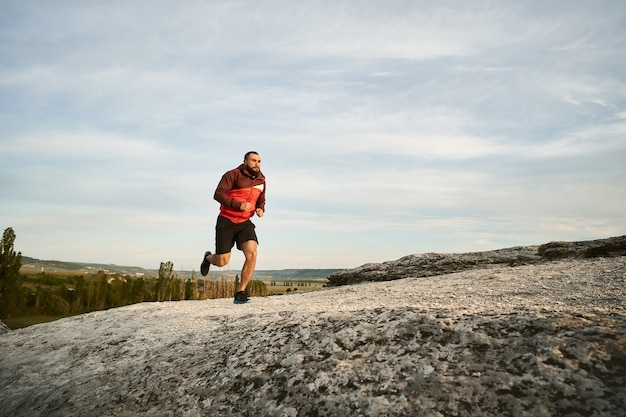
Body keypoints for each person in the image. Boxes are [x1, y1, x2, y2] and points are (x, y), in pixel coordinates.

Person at [200, 151, 266, 304]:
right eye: (253, 161)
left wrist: (260, 208)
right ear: (245, 161)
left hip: (244, 223)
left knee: (252, 253)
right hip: (227, 221)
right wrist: (238, 205)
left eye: (259, 161)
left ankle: (241, 291)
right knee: (222, 261)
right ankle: (208, 257)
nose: (257, 164)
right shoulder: (232, 175)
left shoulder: (261, 179)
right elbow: (218, 194)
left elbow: (261, 198)